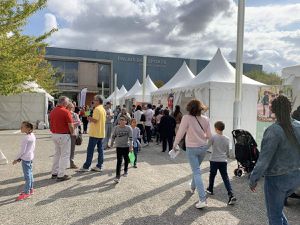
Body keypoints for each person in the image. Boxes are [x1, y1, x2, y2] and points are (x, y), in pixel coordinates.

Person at [249, 95, 300, 225]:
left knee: (274, 215)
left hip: (277, 179)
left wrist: (254, 178)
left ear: (273, 110)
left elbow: (264, 160)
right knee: (277, 211)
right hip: (296, 177)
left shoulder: (273, 131)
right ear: (290, 108)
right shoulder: (298, 126)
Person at [173, 99, 212, 209]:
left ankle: (202, 199)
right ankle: (192, 187)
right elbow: (209, 135)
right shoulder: (206, 119)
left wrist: (175, 144)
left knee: (196, 171)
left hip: (192, 148)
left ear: (190, 108)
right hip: (203, 148)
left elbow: (180, 133)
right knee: (197, 170)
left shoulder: (186, 118)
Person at [206, 121, 236, 205]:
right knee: (225, 178)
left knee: (212, 175)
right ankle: (231, 194)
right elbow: (227, 152)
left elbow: (207, 146)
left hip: (214, 160)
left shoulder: (213, 137)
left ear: (216, 128)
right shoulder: (227, 139)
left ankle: (210, 189)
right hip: (223, 161)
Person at [79, 95, 106, 172]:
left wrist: (89, 118)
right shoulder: (102, 109)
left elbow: (95, 120)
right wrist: (88, 115)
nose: (93, 101)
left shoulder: (97, 109)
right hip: (100, 132)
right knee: (100, 150)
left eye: (95, 100)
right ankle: (99, 166)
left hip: (95, 133)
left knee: (90, 150)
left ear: (98, 101)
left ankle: (86, 166)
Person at [50, 96, 74, 181]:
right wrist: (73, 133)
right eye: (67, 102)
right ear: (64, 103)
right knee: (65, 155)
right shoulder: (66, 112)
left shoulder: (53, 111)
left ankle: (54, 172)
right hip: (63, 135)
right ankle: (61, 174)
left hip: (54, 134)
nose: (68, 103)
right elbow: (71, 125)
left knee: (57, 154)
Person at [13, 121, 36, 201]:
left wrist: (16, 159)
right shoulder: (32, 135)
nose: (21, 128)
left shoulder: (26, 138)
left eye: (22, 127)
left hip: (26, 158)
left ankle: (26, 192)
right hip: (30, 157)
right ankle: (31, 189)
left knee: (27, 176)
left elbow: (22, 151)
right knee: (30, 173)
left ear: (28, 128)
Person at [110, 116, 133, 183]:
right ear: (119, 121)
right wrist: (111, 144)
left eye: (123, 120)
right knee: (119, 161)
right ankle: (117, 176)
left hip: (126, 147)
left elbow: (131, 138)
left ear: (126, 121)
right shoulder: (116, 128)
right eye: (120, 120)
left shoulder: (128, 128)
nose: (121, 121)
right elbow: (113, 136)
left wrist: (131, 147)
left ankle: (125, 170)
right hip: (119, 147)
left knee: (126, 159)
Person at [66, 102, 81, 169]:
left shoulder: (74, 114)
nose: (72, 108)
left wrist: (71, 125)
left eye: (72, 107)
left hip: (73, 133)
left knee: (72, 149)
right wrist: (71, 125)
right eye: (71, 107)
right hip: (65, 133)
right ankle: (65, 163)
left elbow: (78, 122)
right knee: (65, 149)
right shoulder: (65, 114)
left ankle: (71, 163)